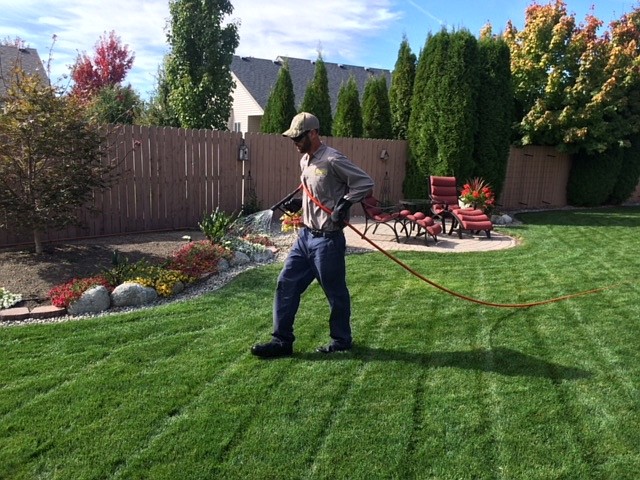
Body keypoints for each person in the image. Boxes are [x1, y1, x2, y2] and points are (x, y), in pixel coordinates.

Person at [251, 112, 374, 358]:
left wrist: (344, 205)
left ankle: (341, 340)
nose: (294, 142)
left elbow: (364, 182)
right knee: (286, 284)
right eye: (292, 138)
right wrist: (301, 202)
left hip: (328, 241)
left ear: (313, 133)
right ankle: (281, 341)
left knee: (335, 292)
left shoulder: (332, 159)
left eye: (298, 137)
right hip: (305, 238)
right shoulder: (305, 161)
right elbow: (317, 190)